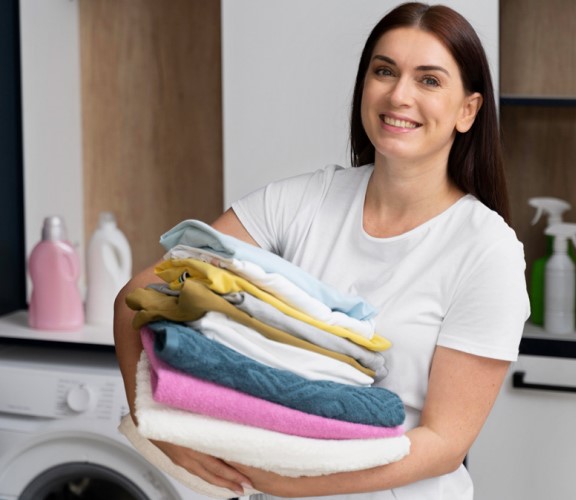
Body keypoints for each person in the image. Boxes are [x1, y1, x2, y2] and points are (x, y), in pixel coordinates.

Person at [113, 2, 530, 499]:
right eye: (384, 71)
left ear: (468, 110)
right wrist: (158, 423)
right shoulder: (300, 203)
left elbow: (443, 443)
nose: (399, 95)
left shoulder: (486, 251)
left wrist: (296, 483)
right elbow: (140, 295)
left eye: (429, 80)